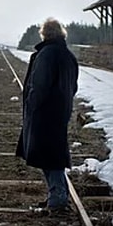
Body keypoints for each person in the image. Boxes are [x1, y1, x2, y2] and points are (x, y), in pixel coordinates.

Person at [15, 18, 79, 213]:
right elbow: (73, 86)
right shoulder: (67, 55)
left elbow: (40, 85)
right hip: (59, 111)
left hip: (44, 112)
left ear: (45, 34)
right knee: (52, 154)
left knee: (49, 156)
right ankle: (56, 195)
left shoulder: (47, 54)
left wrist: (31, 105)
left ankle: (58, 198)